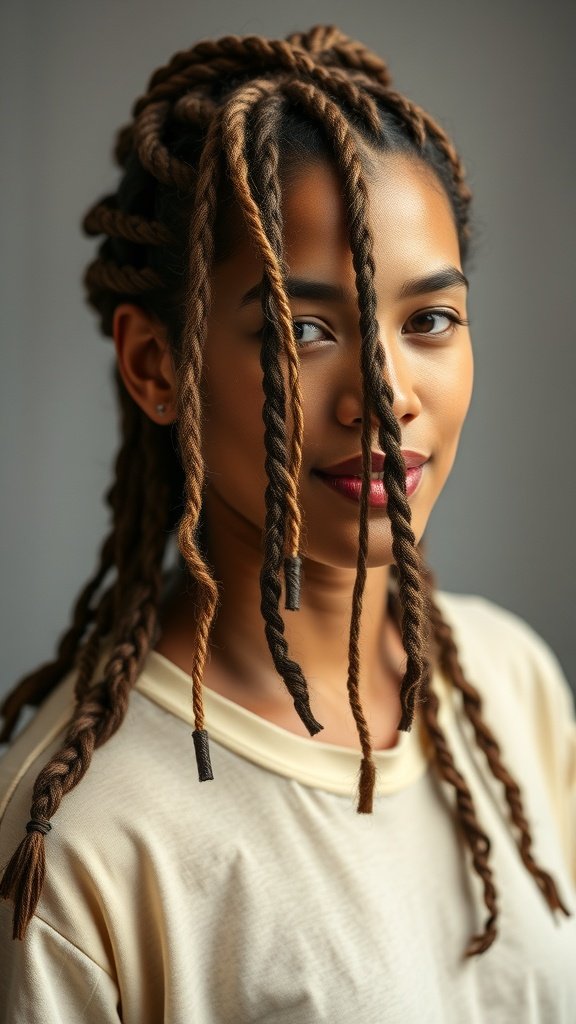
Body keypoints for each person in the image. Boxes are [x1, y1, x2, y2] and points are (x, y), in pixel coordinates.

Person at [0, 23, 574, 1024]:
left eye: (429, 321)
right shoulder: (84, 842)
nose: (387, 395)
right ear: (156, 366)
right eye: (302, 330)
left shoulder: (509, 678)